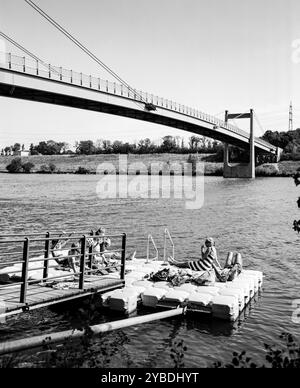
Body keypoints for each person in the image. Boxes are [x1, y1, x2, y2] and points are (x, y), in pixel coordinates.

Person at [168, 237, 242, 282]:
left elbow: (203, 257)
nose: (206, 244)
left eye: (207, 242)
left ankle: (174, 262)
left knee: (187, 263)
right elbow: (215, 260)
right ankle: (174, 261)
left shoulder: (209, 249)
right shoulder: (214, 249)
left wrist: (202, 249)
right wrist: (219, 267)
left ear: (209, 244)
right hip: (207, 266)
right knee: (187, 263)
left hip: (203, 266)